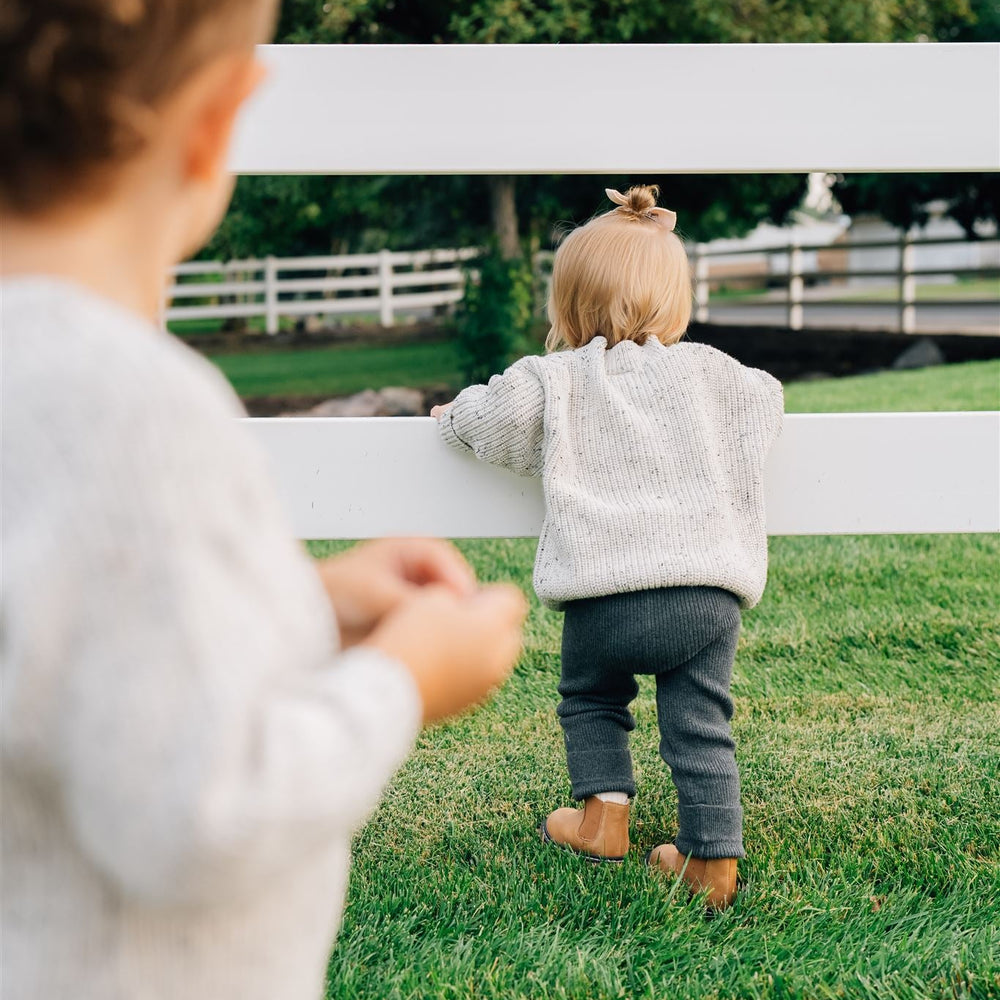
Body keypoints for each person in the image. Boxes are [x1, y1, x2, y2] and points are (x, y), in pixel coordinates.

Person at [0, 3, 527, 998]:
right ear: (215, 118)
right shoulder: (133, 412)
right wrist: (404, 678)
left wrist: (301, 602)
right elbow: (197, 813)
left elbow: (67, 643)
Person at [432, 185, 784, 910]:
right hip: (706, 592)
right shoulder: (715, 372)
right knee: (700, 720)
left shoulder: (555, 378)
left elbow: (490, 418)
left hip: (606, 594)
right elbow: (765, 400)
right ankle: (712, 861)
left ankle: (601, 817)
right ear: (676, 303)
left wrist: (452, 414)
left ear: (568, 308)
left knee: (592, 698)